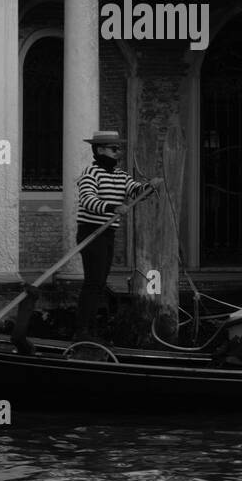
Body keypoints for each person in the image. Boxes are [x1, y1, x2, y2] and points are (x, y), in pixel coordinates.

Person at [74, 130, 162, 341]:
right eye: (114, 149)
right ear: (100, 149)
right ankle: (82, 331)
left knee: (100, 283)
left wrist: (149, 187)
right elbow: (87, 200)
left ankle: (89, 329)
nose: (118, 152)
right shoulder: (90, 173)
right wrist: (112, 207)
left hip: (107, 234)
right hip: (91, 233)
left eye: (118, 148)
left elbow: (135, 191)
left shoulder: (120, 175)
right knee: (93, 283)